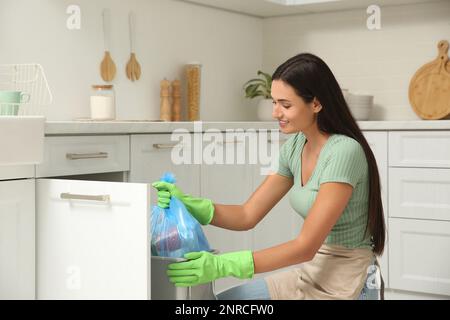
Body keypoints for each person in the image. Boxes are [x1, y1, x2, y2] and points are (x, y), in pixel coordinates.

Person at [152, 53, 386, 300]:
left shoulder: (344, 152)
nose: (276, 113)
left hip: (350, 280)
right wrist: (191, 205)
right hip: (313, 272)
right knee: (222, 303)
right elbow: (247, 214)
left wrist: (223, 265)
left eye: (286, 105)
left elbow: (305, 247)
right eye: (274, 102)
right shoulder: (295, 146)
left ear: (316, 104)